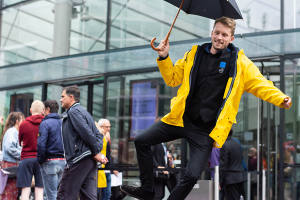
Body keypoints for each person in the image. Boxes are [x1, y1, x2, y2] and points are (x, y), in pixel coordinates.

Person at [120, 16, 292, 200]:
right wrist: (164, 56)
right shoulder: (194, 54)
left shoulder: (240, 63)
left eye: (224, 35)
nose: (219, 37)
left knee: (192, 175)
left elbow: (260, 84)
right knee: (141, 141)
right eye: (217, 33)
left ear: (231, 38)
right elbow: (172, 78)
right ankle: (147, 189)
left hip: (204, 132)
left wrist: (281, 98)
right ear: (211, 33)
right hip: (180, 119)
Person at [57, 85, 108, 200]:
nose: (61, 99)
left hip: (78, 159)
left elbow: (87, 133)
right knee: (88, 196)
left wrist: (95, 152)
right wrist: (96, 152)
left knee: (65, 194)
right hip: (88, 161)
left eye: (63, 96)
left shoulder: (73, 112)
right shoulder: (84, 112)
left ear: (71, 97)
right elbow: (98, 135)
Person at [37, 100, 65, 200]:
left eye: (44, 109)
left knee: (51, 194)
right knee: (55, 193)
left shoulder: (45, 123)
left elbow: (41, 144)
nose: (43, 112)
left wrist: (40, 160)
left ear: (48, 109)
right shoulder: (63, 123)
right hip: (63, 162)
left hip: (49, 162)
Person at [17, 100, 45, 200]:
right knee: (40, 191)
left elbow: (19, 141)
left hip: (26, 159)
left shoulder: (23, 124)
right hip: (41, 160)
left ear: (30, 110)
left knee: (25, 191)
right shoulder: (45, 123)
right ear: (43, 111)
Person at [0, 112, 24, 200]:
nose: (24, 122)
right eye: (22, 120)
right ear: (17, 121)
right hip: (10, 165)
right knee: (10, 191)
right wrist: (22, 154)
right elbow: (9, 147)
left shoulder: (12, 131)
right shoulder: (12, 132)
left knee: (10, 190)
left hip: (10, 164)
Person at [219, 130, 246, 200]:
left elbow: (223, 165)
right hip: (240, 177)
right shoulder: (237, 144)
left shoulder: (225, 145)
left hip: (230, 179)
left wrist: (220, 182)